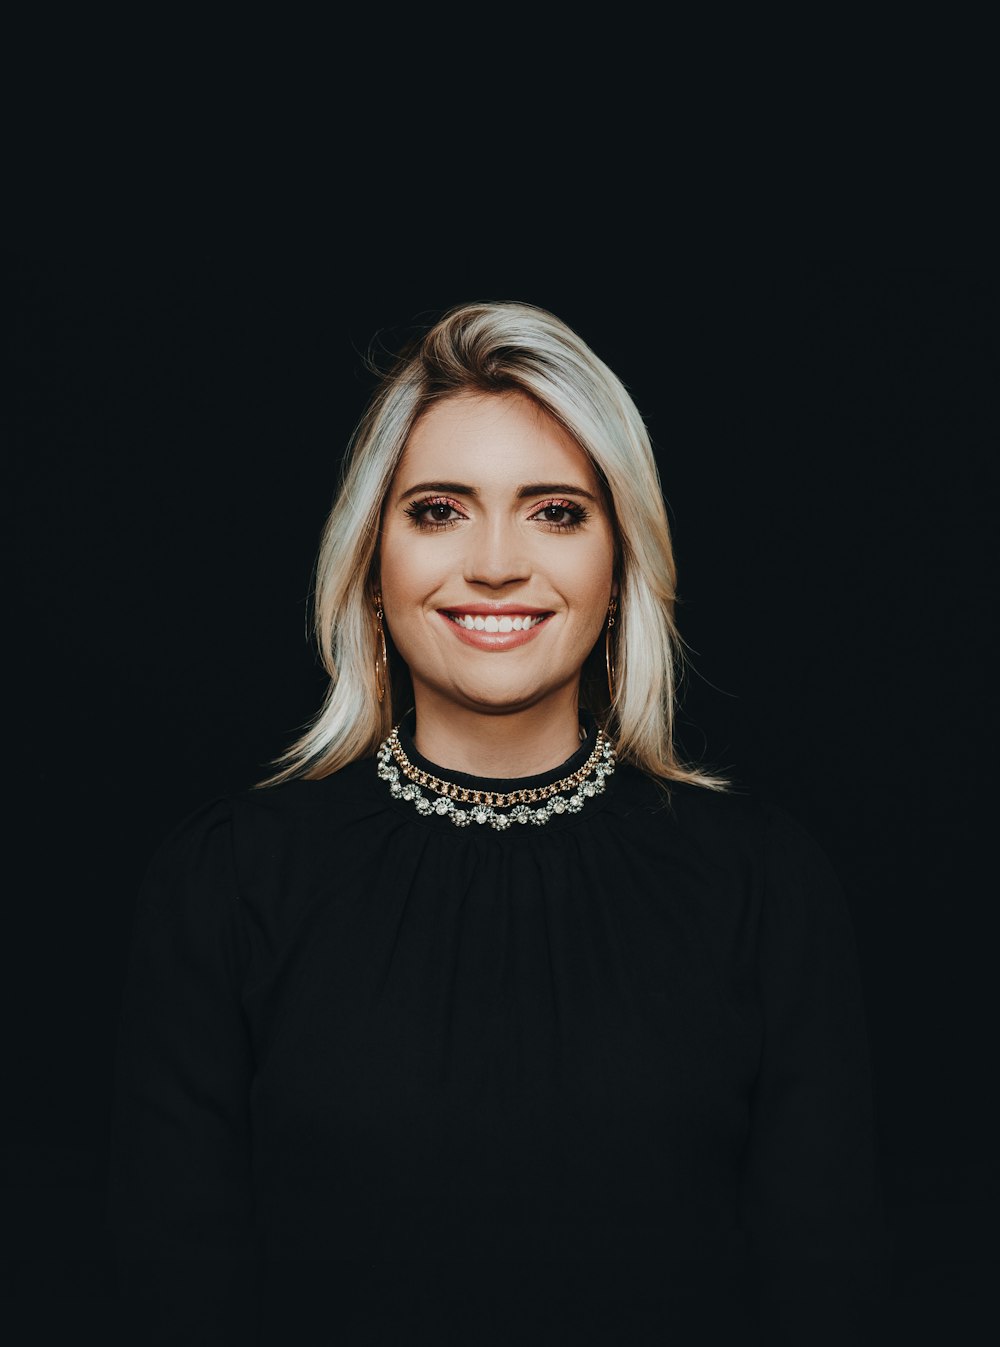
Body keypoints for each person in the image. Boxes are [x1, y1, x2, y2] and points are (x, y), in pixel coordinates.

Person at [108, 301, 886, 1344]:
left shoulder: (763, 889)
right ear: (370, 564)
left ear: (620, 568)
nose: (494, 565)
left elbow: (822, 1303)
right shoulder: (226, 884)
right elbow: (177, 1304)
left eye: (555, 511)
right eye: (438, 510)